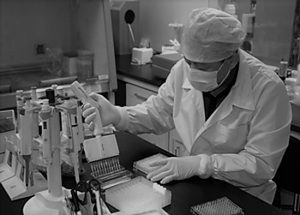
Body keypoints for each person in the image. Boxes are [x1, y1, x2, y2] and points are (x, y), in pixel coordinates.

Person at [82, 8, 292, 204]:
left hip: (245, 196)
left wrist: (202, 164)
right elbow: (158, 112)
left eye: (203, 66)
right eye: (189, 61)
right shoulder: (183, 68)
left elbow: (260, 164)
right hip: (195, 187)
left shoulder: (267, 88)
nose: (193, 71)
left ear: (231, 59)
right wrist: (119, 115)